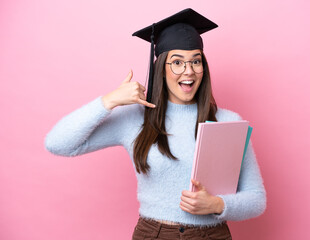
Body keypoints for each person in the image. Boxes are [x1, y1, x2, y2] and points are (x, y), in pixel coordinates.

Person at [45, 8, 266, 240]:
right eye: (177, 62)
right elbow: (57, 143)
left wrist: (217, 204)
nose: (188, 71)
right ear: (161, 68)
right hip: (154, 234)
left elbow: (256, 199)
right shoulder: (135, 118)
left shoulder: (228, 122)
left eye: (196, 61)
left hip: (211, 235)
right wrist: (109, 101)